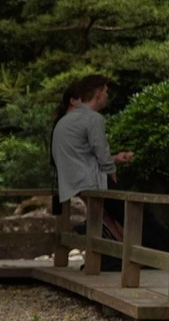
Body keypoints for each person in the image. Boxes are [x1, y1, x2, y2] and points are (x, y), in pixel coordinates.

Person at [53, 76, 133, 270]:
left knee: (103, 217)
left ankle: (111, 256)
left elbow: (82, 155)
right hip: (89, 179)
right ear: (98, 94)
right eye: (106, 92)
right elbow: (101, 154)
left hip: (73, 180)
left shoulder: (66, 120)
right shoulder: (92, 118)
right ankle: (124, 257)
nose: (107, 96)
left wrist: (113, 159)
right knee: (121, 215)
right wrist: (112, 174)